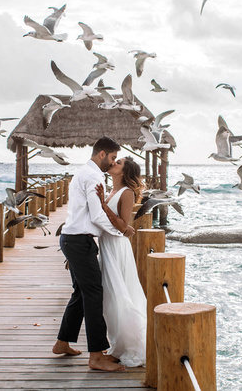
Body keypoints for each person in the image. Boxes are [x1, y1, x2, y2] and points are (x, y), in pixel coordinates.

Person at [52, 137, 133, 372]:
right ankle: (96, 356)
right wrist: (121, 232)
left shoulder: (84, 173)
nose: (113, 162)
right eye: (112, 158)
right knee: (94, 294)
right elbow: (97, 216)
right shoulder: (95, 176)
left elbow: (94, 213)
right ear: (102, 154)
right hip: (78, 241)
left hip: (72, 239)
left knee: (81, 292)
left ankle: (62, 342)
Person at [94, 156, 147, 367]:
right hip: (106, 246)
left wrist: (102, 205)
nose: (113, 163)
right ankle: (117, 346)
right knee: (109, 298)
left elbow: (123, 226)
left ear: (125, 172)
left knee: (119, 296)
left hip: (117, 248)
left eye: (119, 163)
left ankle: (128, 348)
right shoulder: (111, 191)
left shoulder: (127, 193)